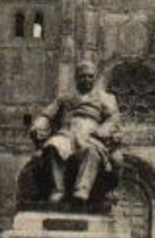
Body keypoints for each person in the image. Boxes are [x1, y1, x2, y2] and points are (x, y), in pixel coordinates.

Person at [27, 59, 122, 205]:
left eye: (90, 76)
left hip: (91, 133)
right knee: (53, 146)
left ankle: (82, 190)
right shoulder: (65, 97)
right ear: (76, 78)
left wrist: (103, 130)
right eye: (82, 76)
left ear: (95, 78)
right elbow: (47, 115)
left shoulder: (106, 98)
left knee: (92, 151)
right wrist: (39, 123)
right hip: (66, 132)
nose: (86, 79)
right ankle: (58, 189)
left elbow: (113, 118)